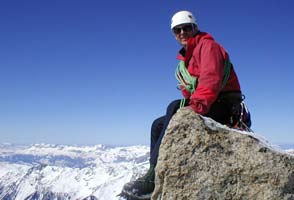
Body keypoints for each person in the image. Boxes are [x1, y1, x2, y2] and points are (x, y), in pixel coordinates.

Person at [121, 10, 251, 197]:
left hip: (224, 106)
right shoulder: (187, 58)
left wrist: (195, 106)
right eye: (177, 30)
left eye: (186, 28)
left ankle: (151, 181)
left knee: (174, 107)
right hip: (213, 103)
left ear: (195, 28)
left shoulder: (208, 47)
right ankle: (153, 171)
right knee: (157, 125)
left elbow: (211, 79)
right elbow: (191, 89)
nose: (182, 33)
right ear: (173, 34)